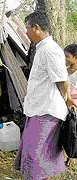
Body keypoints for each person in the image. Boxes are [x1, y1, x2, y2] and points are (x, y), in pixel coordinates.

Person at [13, 11, 75, 180]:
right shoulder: (43, 48)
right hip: (39, 110)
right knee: (37, 156)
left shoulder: (50, 49)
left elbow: (62, 81)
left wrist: (66, 100)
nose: (26, 31)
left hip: (46, 112)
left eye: (27, 28)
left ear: (37, 28)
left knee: (35, 156)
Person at [64, 44, 77, 166]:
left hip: (73, 106)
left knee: (73, 132)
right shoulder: (65, 71)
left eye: (67, 56)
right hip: (64, 105)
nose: (65, 58)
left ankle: (72, 156)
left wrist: (69, 97)